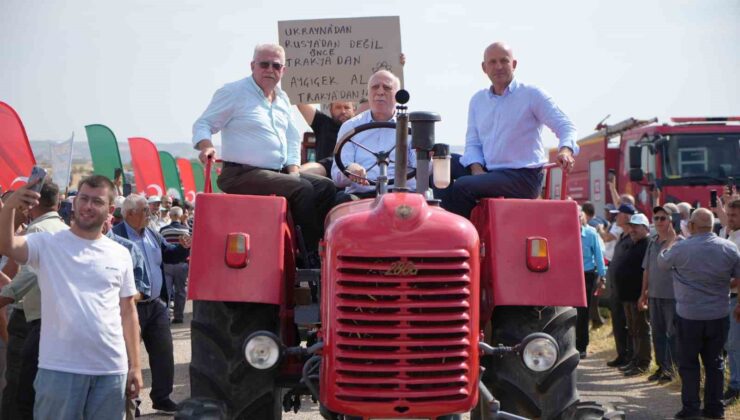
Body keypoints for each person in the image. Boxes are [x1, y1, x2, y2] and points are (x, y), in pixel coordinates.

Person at [0, 175, 143, 419]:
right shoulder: (47, 244)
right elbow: (6, 245)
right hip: (59, 370)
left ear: (109, 210)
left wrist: (136, 366)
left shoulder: (120, 254)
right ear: (74, 203)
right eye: (83, 199)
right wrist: (11, 206)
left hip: (110, 372)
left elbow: (128, 311)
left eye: (96, 201)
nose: (88, 206)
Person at [192, 43, 335, 266]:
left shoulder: (283, 99)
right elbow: (204, 123)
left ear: (283, 70)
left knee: (325, 187)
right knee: (303, 189)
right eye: (264, 64)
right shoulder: (233, 92)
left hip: (276, 173)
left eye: (276, 65)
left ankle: (323, 245)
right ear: (253, 66)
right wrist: (206, 146)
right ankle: (310, 259)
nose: (270, 69)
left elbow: (291, 138)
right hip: (241, 174)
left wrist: (293, 170)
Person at [440, 42, 577, 218]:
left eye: (504, 61)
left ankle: (462, 237)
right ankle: (445, 224)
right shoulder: (478, 100)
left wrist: (565, 150)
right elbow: (473, 143)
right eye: (493, 62)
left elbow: (565, 125)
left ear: (514, 64)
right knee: (441, 164)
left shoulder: (532, 94)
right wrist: (476, 169)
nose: (498, 67)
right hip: (490, 172)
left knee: (462, 186)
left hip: (522, 177)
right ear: (484, 67)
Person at [659, 208, 740, 419]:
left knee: (689, 364)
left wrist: (669, 241)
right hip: (719, 315)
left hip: (689, 316)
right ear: (712, 225)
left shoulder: (681, 247)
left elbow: (662, 263)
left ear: (693, 226)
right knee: (715, 363)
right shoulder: (729, 248)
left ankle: (691, 409)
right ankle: (715, 409)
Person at [113, 194, 190, 414]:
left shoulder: (152, 234)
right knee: (128, 357)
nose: (150, 214)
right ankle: (132, 402)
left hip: (156, 305)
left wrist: (184, 248)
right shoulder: (114, 237)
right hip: (129, 307)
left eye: (149, 210)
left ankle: (162, 398)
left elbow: (170, 255)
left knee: (163, 353)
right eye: (144, 211)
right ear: (129, 214)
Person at [0, 181, 68, 419]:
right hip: (52, 319)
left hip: (29, 319)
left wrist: (3, 297)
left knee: (19, 386)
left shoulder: (37, 231)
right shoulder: (65, 229)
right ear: (58, 202)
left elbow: (29, 273)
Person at [331, 70, 416, 198]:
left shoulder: (412, 127)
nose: (380, 92)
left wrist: (427, 156)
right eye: (375, 87)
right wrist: (350, 170)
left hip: (403, 196)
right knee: (342, 201)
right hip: (360, 196)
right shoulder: (350, 127)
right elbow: (337, 176)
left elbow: (424, 169)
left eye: (387, 88)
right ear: (368, 93)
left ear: (398, 95)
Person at [637, 205, 681, 384]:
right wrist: (643, 294)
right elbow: (646, 269)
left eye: (663, 218)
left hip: (672, 296)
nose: (659, 222)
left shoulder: (680, 242)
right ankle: (661, 367)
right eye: (656, 218)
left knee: (673, 334)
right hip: (654, 295)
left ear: (671, 220)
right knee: (657, 333)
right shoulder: (653, 242)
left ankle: (672, 370)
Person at [615, 213, 651, 376]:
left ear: (645, 228)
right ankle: (635, 360)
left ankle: (643, 362)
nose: (632, 230)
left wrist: (643, 295)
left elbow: (647, 272)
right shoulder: (633, 244)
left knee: (641, 329)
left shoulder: (647, 244)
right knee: (633, 329)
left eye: (636, 226)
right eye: (631, 226)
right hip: (627, 296)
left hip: (638, 296)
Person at [605, 204, 637, 368]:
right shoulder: (622, 235)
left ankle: (631, 356)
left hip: (626, 289)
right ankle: (621, 354)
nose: (615, 217)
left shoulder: (632, 236)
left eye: (618, 215)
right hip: (616, 287)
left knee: (629, 325)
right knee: (618, 322)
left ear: (626, 216)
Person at [297, 101, 356, 177]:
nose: (343, 111)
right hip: (324, 174)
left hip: (356, 174)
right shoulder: (323, 123)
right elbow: (299, 100)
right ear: (331, 110)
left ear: (354, 110)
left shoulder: (362, 128)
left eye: (347, 107)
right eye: (338, 107)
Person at [576, 207, 606, 359]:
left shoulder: (591, 233)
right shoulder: (565, 232)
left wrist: (602, 276)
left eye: (579, 215)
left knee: (583, 312)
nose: (577, 218)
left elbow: (599, 256)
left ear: (584, 217)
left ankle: (581, 346)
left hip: (587, 275)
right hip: (570, 275)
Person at [721, 198, 740, 404]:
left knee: (734, 344)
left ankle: (735, 387)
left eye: (734, 215)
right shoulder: (730, 234)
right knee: (730, 344)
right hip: (729, 297)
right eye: (728, 214)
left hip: (736, 297)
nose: (729, 218)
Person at [159, 207, 191, 323]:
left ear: (171, 216)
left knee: (166, 291)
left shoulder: (163, 230)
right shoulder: (186, 231)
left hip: (167, 264)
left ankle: (165, 316)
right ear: (181, 216)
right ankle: (179, 316)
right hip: (182, 265)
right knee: (181, 291)